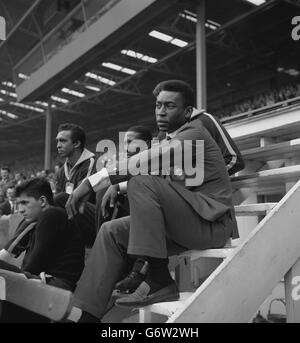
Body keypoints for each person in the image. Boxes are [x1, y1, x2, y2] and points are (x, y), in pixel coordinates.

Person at [66, 80, 239, 323]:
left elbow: (144, 165)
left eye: (170, 106)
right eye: (158, 105)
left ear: (187, 112)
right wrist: (116, 185)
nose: (161, 111)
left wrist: (94, 181)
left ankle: (159, 278)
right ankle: (85, 314)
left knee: (141, 180)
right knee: (110, 231)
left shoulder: (195, 133)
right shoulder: (168, 140)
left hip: (212, 224)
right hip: (183, 222)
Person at [0, 178, 85, 322]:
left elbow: (34, 265)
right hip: (48, 281)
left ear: (43, 201)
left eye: (25, 203)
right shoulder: (43, 218)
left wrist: (17, 276)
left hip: (54, 283)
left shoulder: (51, 214)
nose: (20, 209)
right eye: (19, 204)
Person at [97, 125, 152, 230]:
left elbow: (147, 183)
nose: (126, 148)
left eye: (131, 142)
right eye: (125, 143)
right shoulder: (124, 163)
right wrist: (87, 184)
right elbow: (103, 176)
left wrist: (117, 185)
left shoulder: (156, 161)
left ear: (146, 144)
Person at [55, 123, 96, 198]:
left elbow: (81, 197)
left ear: (76, 143)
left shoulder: (92, 164)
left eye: (63, 141)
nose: (58, 145)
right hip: (67, 207)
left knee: (60, 198)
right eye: (57, 141)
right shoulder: (61, 171)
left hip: (87, 207)